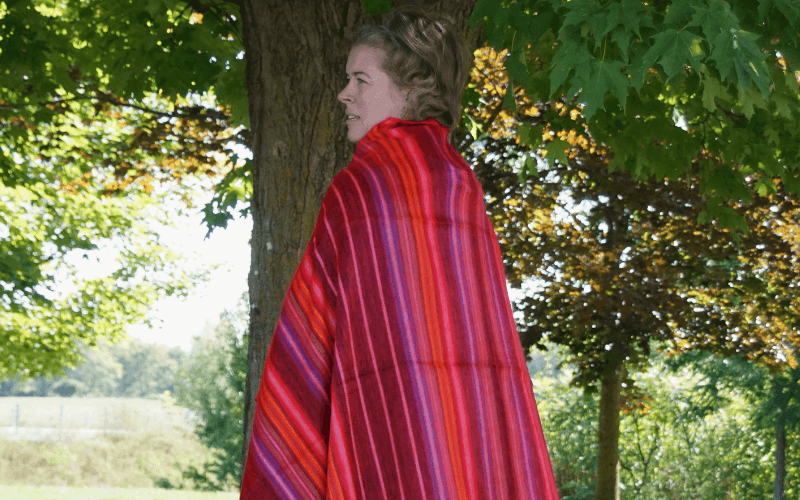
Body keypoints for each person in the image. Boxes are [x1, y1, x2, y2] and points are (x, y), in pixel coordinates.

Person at [240, 6, 559, 500]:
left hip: (390, 417)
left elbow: (312, 330)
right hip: (467, 425)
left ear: (411, 88)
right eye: (347, 79)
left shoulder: (362, 186)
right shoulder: (460, 182)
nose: (344, 93)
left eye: (361, 80)